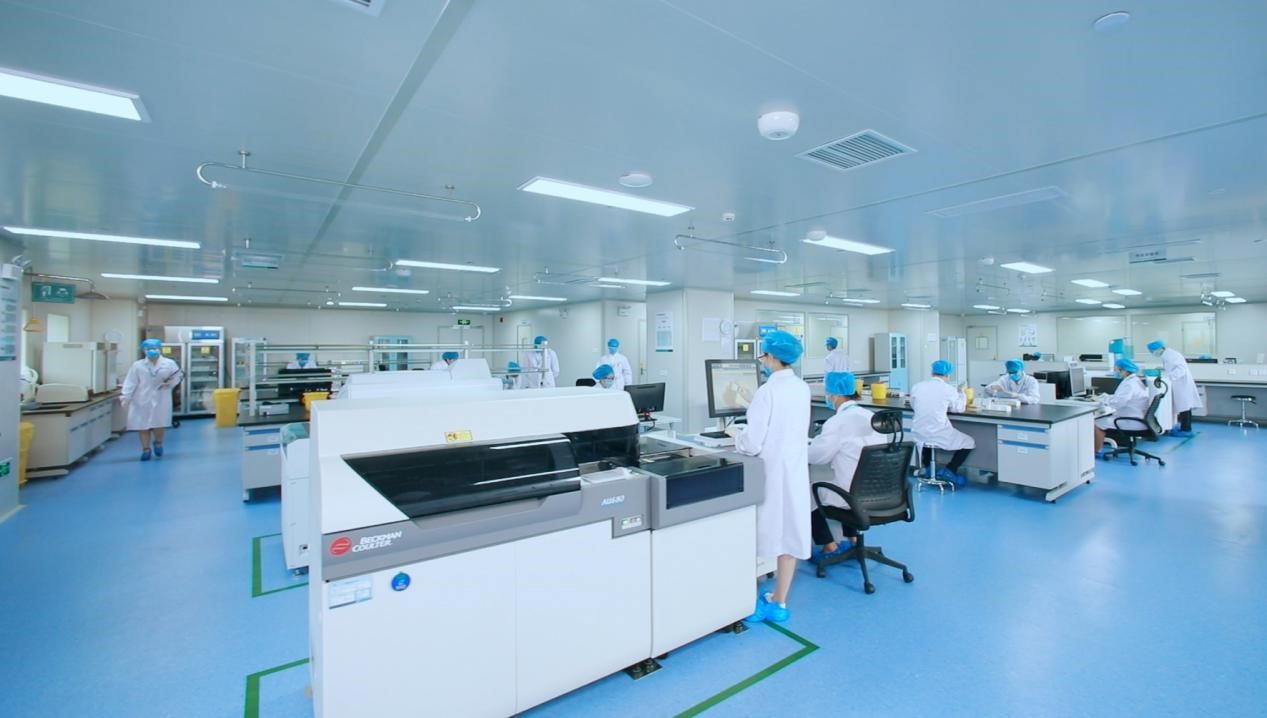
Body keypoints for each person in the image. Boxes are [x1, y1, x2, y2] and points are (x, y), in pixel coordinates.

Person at [731, 330, 811, 624]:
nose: (762, 360)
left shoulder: (767, 392)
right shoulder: (801, 388)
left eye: (764, 355)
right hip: (794, 472)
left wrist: (736, 435)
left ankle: (748, 603)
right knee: (790, 535)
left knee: (760, 536)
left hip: (770, 473)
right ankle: (779, 602)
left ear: (774, 357)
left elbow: (752, 443)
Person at [807, 371, 886, 559]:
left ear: (835, 395)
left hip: (852, 495)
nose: (827, 396)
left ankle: (829, 546)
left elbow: (818, 457)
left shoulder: (837, 422)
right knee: (847, 479)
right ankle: (853, 539)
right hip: (880, 491)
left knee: (807, 492)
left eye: (828, 392)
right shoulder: (870, 416)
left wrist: (802, 447)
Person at [910, 360, 973, 487]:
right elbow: (959, 408)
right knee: (969, 442)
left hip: (918, 431)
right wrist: (961, 392)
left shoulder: (917, 386)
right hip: (938, 432)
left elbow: (913, 405)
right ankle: (950, 470)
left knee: (926, 439)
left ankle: (928, 468)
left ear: (932, 372)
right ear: (948, 374)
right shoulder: (949, 389)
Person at [121, 339, 182, 461]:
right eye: (148, 349)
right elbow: (130, 382)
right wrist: (125, 397)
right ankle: (146, 449)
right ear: (144, 350)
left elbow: (177, 377)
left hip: (162, 397)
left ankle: (158, 443)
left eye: (154, 348)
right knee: (142, 425)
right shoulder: (137, 365)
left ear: (160, 349)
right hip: (141, 398)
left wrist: (170, 383)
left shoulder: (169, 363)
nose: (152, 351)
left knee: (160, 423)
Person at [1095, 358, 1152, 457]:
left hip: (1131, 421)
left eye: (1117, 370)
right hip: (1139, 419)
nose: (1116, 372)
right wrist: (1104, 397)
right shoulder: (1135, 380)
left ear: (1124, 370)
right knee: (1103, 418)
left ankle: (1096, 451)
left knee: (1096, 423)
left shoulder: (1129, 384)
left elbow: (1118, 403)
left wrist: (1102, 400)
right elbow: (1120, 397)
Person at [1148, 340, 1202, 436]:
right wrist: (1163, 370)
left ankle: (1186, 430)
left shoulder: (1171, 355)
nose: (1153, 353)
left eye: (1153, 351)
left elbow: (1181, 369)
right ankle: (1185, 428)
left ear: (1159, 348)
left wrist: (1168, 376)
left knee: (1184, 407)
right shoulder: (1167, 355)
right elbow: (1173, 367)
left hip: (1181, 384)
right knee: (1184, 407)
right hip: (1179, 384)